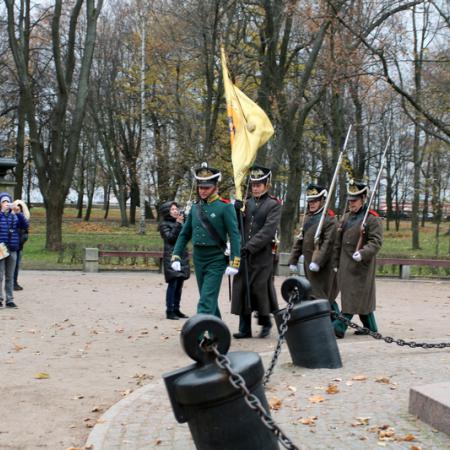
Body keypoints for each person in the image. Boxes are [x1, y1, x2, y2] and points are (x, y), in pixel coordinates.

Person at [171, 163, 241, 318]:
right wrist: (175, 255)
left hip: (216, 258)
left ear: (215, 187)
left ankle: (202, 332)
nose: (202, 191)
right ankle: (217, 329)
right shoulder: (195, 208)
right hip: (199, 258)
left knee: (206, 299)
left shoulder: (225, 207)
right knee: (207, 296)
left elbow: (234, 235)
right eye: (200, 187)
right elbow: (184, 234)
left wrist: (235, 261)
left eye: (206, 188)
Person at [231, 165, 281, 339]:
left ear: (267, 184)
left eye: (259, 184)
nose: (255, 188)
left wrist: (250, 246)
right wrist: (236, 211)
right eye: (253, 185)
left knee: (260, 288)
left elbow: (268, 231)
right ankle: (244, 329)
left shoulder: (273, 205)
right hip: (245, 254)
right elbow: (237, 226)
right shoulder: (246, 204)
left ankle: (265, 321)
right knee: (242, 287)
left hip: (262, 255)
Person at [332, 180, 383, 338]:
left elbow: (376, 242)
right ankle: (371, 327)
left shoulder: (372, 219)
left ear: (363, 199)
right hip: (345, 263)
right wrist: (335, 262)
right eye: (349, 200)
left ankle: (338, 327)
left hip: (361, 265)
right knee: (358, 298)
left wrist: (363, 252)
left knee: (353, 296)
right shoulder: (346, 217)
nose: (351, 203)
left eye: (354, 200)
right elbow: (337, 242)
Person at [288, 183, 338, 306]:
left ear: (322, 201)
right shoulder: (308, 218)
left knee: (323, 296)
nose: (312, 203)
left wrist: (317, 262)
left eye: (315, 201)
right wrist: (293, 259)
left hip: (323, 267)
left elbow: (328, 243)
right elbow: (300, 240)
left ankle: (334, 323)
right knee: (314, 295)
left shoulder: (329, 219)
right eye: (310, 201)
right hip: (308, 264)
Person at [158, 201, 190, 320]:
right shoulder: (164, 225)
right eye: (172, 209)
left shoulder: (181, 222)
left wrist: (185, 220)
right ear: (167, 212)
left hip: (182, 256)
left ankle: (176, 309)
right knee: (173, 283)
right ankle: (169, 310)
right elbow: (170, 238)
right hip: (171, 256)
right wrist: (178, 223)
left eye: (176, 208)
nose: (175, 211)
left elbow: (187, 235)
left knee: (180, 284)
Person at [0, 192, 29, 308]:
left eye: (8, 202)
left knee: (10, 275)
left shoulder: (16, 216)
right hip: (1, 248)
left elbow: (25, 226)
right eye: (4, 202)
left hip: (12, 248)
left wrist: (19, 213)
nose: (6, 204)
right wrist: (2, 212)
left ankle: (10, 299)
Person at [12, 199, 30, 291]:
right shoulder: (10, 217)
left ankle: (14, 282)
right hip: (12, 245)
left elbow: (25, 229)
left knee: (16, 265)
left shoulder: (22, 218)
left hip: (18, 245)